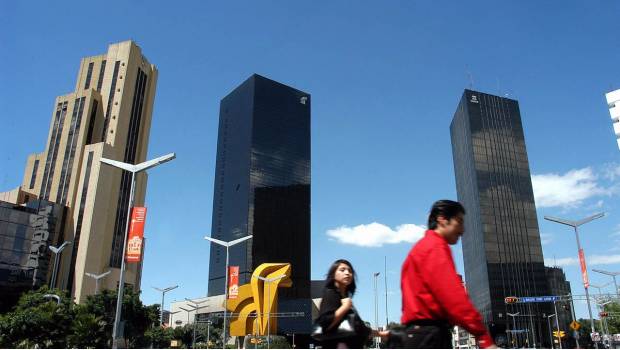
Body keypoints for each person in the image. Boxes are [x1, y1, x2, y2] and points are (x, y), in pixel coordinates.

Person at [399, 200, 496, 349]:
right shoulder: (435, 247)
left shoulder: (418, 249)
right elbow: (453, 298)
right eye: (459, 221)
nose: (462, 230)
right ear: (442, 219)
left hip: (416, 335)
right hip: (430, 337)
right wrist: (483, 337)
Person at [315, 259, 389, 348]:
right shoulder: (331, 293)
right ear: (333, 274)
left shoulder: (346, 299)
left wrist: (381, 334)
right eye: (342, 270)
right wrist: (344, 307)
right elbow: (325, 323)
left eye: (350, 271)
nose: (347, 273)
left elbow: (361, 328)